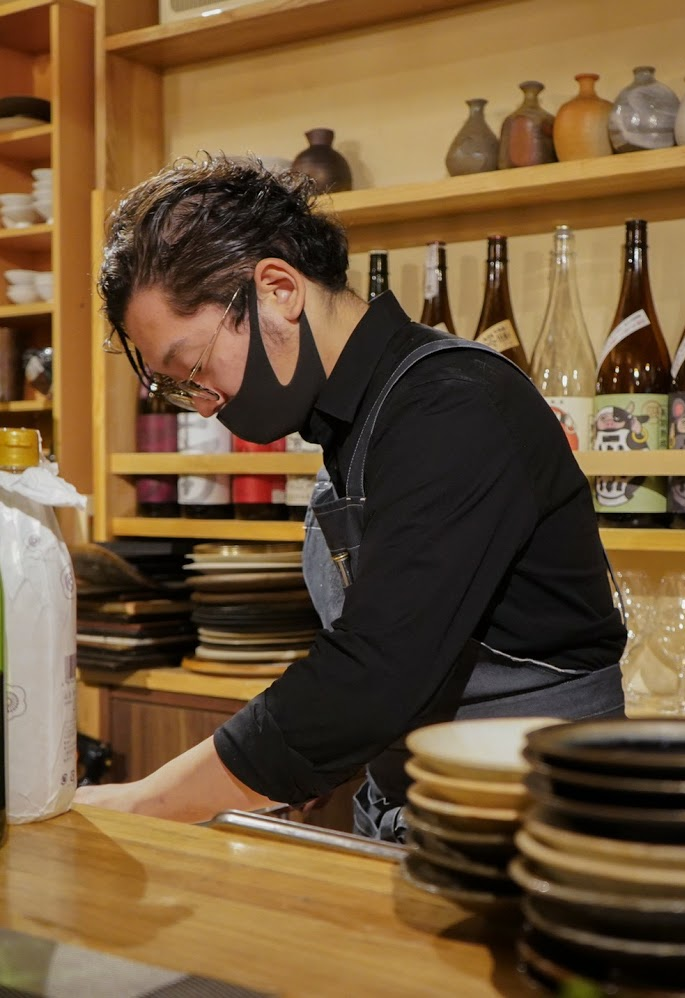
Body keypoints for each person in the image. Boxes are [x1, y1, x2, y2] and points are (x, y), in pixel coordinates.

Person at [75, 154, 626, 840]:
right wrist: (296, 767)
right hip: (429, 804)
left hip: (533, 820)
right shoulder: (355, 416)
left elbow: (373, 673)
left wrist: (142, 803)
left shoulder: (452, 407)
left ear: (278, 289)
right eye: (178, 388)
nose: (205, 403)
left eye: (192, 368)